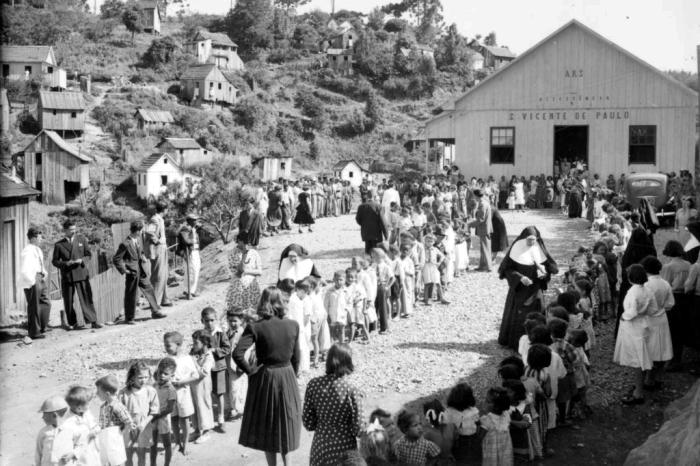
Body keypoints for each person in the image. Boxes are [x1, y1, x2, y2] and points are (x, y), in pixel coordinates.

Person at [233, 287, 302, 466]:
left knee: (269, 423)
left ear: (262, 302)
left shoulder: (255, 326)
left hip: (267, 377)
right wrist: (292, 376)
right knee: (285, 422)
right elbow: (296, 356)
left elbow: (237, 354)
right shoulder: (293, 325)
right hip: (286, 375)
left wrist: (250, 371)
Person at [303, 343, 365, 465]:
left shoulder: (313, 385)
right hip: (344, 450)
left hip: (320, 447)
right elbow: (358, 428)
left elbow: (308, 423)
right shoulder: (351, 390)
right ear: (347, 362)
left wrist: (324, 425)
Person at [498, 226, 558, 350]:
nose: (532, 242)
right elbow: (507, 270)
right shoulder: (516, 249)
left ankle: (537, 340)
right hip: (519, 290)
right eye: (529, 239)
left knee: (537, 314)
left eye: (534, 240)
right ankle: (516, 343)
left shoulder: (539, 249)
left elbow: (551, 268)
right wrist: (520, 277)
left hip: (535, 290)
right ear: (524, 238)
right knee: (518, 316)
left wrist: (544, 273)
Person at [614, 265, 656, 404]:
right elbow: (653, 309)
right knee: (643, 356)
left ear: (630, 278)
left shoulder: (633, 292)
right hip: (644, 324)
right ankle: (641, 385)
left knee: (636, 360)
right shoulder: (648, 290)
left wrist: (624, 317)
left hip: (633, 327)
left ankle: (638, 393)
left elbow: (631, 311)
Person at [113, 221, 166, 324]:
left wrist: (142, 256)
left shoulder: (137, 239)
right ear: (137, 231)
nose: (142, 232)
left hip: (141, 270)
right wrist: (124, 270)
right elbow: (116, 259)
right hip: (132, 272)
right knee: (131, 294)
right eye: (141, 230)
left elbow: (139, 252)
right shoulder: (125, 243)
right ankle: (129, 318)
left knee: (149, 288)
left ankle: (155, 311)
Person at [52, 220, 101, 330]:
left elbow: (88, 255)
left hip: (81, 273)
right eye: (70, 230)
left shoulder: (82, 239)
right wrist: (65, 263)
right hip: (67, 276)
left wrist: (82, 260)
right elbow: (54, 261)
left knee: (86, 297)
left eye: (74, 229)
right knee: (68, 301)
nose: (73, 232)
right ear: (65, 230)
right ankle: (73, 323)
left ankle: (93, 321)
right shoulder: (59, 245)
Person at [640, 256, 674, 389]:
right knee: (660, 348)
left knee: (647, 348)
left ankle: (647, 378)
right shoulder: (665, 283)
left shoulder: (645, 284)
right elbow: (670, 304)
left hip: (648, 319)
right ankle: (655, 377)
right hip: (661, 319)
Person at [163, 332, 198, 456]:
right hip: (170, 393)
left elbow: (195, 375)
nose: (166, 348)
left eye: (168, 345)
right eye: (165, 345)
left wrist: (182, 381)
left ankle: (185, 443)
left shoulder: (187, 358)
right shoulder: (166, 360)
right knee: (173, 418)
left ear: (178, 345)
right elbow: (159, 375)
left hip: (183, 392)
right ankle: (177, 442)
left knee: (184, 418)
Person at [660, 240, 692, 371]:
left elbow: (665, 285)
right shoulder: (688, 264)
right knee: (682, 327)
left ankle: (671, 359)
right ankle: (678, 357)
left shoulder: (668, 267)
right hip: (686, 297)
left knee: (672, 328)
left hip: (674, 297)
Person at [119, 361, 159, 466]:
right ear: (132, 377)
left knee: (142, 455)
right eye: (140, 377)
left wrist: (144, 423)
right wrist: (128, 423)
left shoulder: (151, 391)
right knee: (128, 456)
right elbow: (119, 411)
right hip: (128, 428)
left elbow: (154, 411)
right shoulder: (124, 393)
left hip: (144, 427)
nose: (143, 380)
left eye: (146, 377)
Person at [200, 308, 231, 433]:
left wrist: (215, 350)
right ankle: (207, 419)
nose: (209, 323)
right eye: (206, 321)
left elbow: (227, 349)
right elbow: (196, 348)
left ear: (216, 320)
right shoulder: (201, 334)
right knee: (206, 393)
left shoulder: (220, 333)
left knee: (220, 393)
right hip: (206, 368)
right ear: (202, 321)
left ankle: (221, 418)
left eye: (212, 320)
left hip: (219, 367)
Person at [95, 374, 134, 466]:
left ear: (107, 394)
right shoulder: (103, 406)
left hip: (115, 440)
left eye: (98, 391)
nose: (96, 394)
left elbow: (129, 422)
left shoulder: (117, 406)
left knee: (117, 461)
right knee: (106, 460)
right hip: (106, 439)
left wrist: (121, 434)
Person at [56, 386, 101, 466]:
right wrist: (74, 452)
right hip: (82, 459)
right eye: (88, 404)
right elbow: (67, 450)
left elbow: (93, 424)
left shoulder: (85, 412)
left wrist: (96, 429)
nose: (89, 406)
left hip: (93, 454)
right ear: (79, 408)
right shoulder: (68, 425)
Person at [19, 227, 50, 340]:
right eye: (39, 237)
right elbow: (24, 269)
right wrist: (31, 281)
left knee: (46, 302)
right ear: (33, 238)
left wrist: (44, 272)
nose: (41, 239)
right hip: (32, 280)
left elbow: (39, 265)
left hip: (40, 277)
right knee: (34, 307)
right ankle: (34, 332)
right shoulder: (27, 251)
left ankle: (42, 326)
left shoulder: (37, 249)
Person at [225, 233, 262, 317]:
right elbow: (239, 272)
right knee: (237, 312)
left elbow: (259, 271)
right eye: (244, 243)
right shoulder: (233, 253)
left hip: (252, 287)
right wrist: (244, 255)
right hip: (238, 287)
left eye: (248, 243)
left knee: (252, 313)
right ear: (239, 241)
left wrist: (247, 271)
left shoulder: (254, 253)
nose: (246, 245)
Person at [443, 383, 480, 463]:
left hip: (463, 441)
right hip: (466, 440)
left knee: (463, 460)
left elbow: (445, 427)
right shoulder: (473, 410)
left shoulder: (449, 412)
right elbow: (477, 423)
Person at [145, 202, 172, 308]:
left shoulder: (160, 219)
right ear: (164, 210)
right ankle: (154, 302)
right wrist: (157, 242)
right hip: (157, 250)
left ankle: (164, 298)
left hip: (163, 248)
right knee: (158, 275)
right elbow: (149, 232)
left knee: (164, 274)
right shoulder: (155, 219)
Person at [190, 330, 215, 444]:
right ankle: (196, 429)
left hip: (203, 385)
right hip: (193, 385)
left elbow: (204, 372)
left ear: (204, 343)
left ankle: (206, 430)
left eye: (196, 343)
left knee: (203, 405)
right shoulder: (194, 354)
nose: (193, 345)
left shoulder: (208, 356)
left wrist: (193, 363)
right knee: (194, 407)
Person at [150, 359, 176, 466]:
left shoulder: (171, 389)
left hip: (163, 418)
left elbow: (170, 408)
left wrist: (157, 415)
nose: (162, 375)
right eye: (160, 372)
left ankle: (166, 464)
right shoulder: (154, 386)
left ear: (172, 375)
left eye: (166, 374)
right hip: (153, 418)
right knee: (153, 444)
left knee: (167, 444)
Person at [480, 387, 513, 466]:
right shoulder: (506, 415)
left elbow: (479, 437)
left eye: (488, 401)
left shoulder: (487, 420)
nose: (485, 402)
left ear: (496, 406)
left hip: (491, 454)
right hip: (505, 452)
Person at [36, 395, 68, 466]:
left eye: (45, 414)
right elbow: (38, 453)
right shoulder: (43, 432)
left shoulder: (69, 430)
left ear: (54, 415)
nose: (43, 417)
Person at [177, 213, 202, 298]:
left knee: (196, 270)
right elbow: (186, 240)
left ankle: (192, 290)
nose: (196, 221)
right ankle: (188, 291)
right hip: (190, 252)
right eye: (195, 220)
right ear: (190, 221)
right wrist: (193, 241)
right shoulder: (185, 228)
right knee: (191, 271)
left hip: (195, 251)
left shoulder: (193, 228)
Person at [470, 189, 493, 272]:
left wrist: (470, 224)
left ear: (476, 196)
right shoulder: (484, 202)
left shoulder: (482, 204)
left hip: (484, 229)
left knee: (485, 248)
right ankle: (483, 266)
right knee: (483, 248)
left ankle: (488, 267)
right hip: (485, 228)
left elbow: (480, 219)